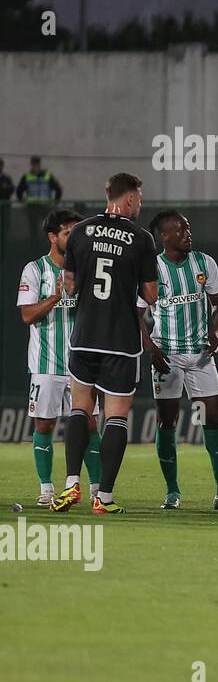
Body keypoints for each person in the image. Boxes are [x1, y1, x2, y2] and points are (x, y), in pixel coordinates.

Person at [50, 173, 159, 515]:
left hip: (84, 337)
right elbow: (151, 294)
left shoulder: (80, 231)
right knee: (116, 417)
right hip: (121, 341)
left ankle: (70, 484)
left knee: (80, 409)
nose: (140, 205)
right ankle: (105, 497)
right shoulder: (141, 239)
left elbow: (68, 285)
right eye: (139, 199)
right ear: (128, 200)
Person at [138, 210, 218, 510]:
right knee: (168, 420)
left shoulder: (205, 263)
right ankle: (172, 490)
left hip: (201, 356)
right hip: (168, 356)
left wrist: (216, 329)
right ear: (164, 236)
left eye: (188, 229)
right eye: (180, 230)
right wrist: (151, 348)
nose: (187, 234)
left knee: (212, 418)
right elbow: (136, 314)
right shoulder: (152, 268)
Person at [17, 208, 101, 507]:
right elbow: (27, 315)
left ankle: (97, 491)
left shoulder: (87, 269)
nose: (75, 237)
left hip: (81, 364)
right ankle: (46, 488)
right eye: (68, 232)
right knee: (44, 426)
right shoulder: (35, 270)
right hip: (46, 365)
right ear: (53, 236)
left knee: (90, 424)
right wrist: (54, 297)